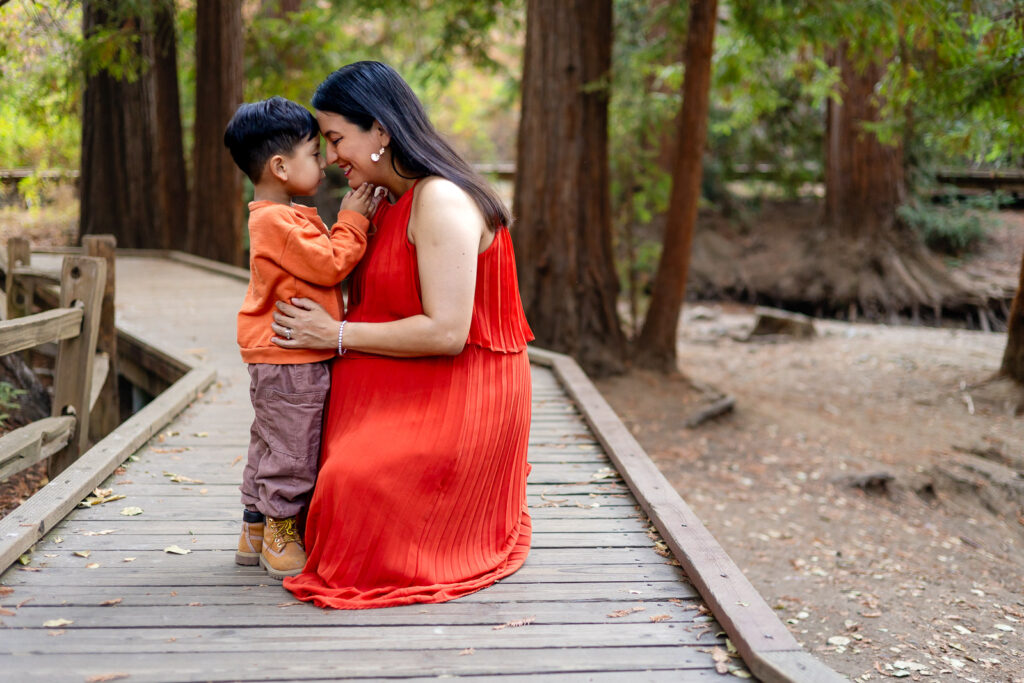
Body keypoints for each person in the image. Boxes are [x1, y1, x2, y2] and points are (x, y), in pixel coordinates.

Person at [269, 61, 535, 608]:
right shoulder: (381, 203)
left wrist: (334, 334)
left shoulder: (440, 200)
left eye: (338, 139)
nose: (333, 157)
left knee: (351, 487)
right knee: (308, 462)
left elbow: (447, 332)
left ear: (382, 132)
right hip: (401, 380)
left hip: (461, 384)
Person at [223, 96, 379, 580]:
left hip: (278, 356)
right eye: (314, 153)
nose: (324, 162)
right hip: (292, 359)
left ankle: (253, 527)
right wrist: (353, 220)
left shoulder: (281, 216)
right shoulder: (276, 220)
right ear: (279, 166)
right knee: (294, 449)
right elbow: (331, 263)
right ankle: (281, 531)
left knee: (270, 443)